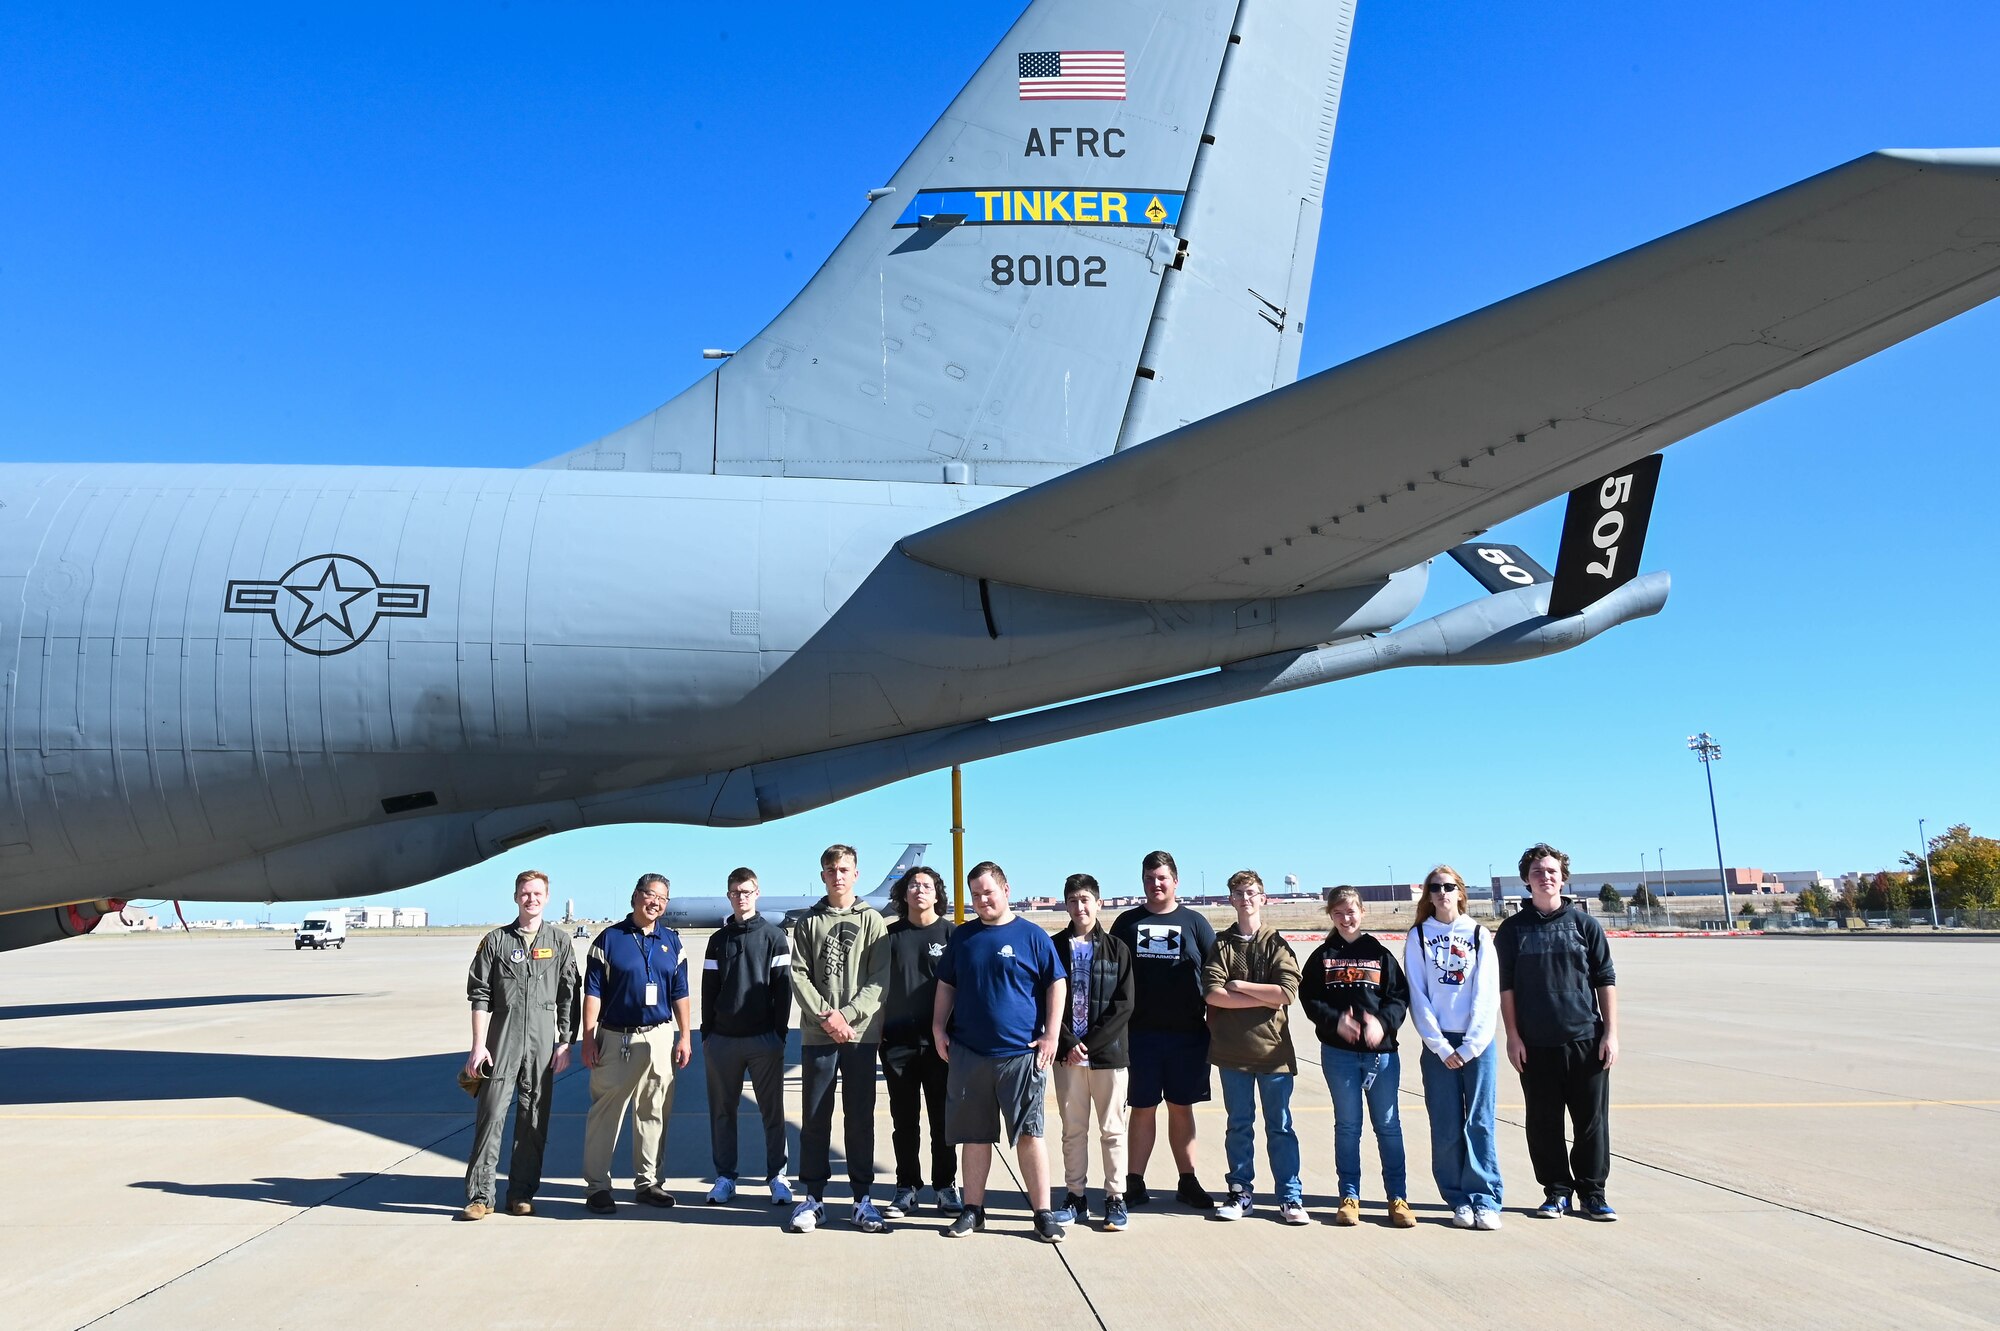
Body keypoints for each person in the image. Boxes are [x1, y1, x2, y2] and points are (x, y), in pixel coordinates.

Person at [933, 860, 1068, 1242]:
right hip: (970, 1054)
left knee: (1029, 1134)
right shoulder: (963, 937)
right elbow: (947, 985)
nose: (981, 901)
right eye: (975, 895)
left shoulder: (1032, 936)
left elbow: (1055, 984)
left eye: (988, 892)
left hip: (1020, 1056)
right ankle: (973, 1210)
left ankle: (1042, 1213)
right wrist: (938, 1027)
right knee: (975, 1137)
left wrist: (1051, 1035)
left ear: (1006, 890)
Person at [1495, 842, 1620, 1222]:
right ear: (1526, 881)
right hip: (1535, 1045)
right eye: (1537, 872)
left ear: (1562, 877)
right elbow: (1506, 988)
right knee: (1543, 1122)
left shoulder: (1585, 925)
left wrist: (1610, 1033)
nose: (1545, 877)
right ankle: (1556, 1192)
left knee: (1591, 1124)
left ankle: (1593, 1193)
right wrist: (1513, 1036)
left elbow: (1605, 979)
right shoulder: (1513, 930)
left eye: (1551, 871)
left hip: (1585, 1039)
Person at [459, 869, 580, 1220]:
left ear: (547, 897)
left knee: (534, 1118)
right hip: (502, 1041)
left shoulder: (559, 942)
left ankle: (522, 1192)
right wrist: (478, 1045)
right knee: (491, 1114)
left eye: (537, 893)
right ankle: (480, 1196)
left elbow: (569, 995)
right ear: (516, 897)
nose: (531, 899)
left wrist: (564, 1042)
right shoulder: (496, 941)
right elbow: (480, 995)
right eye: (525, 893)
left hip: (542, 1044)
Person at [788, 843, 891, 1233]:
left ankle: (862, 1198)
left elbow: (878, 979)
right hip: (818, 1036)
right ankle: (813, 1198)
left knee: (860, 1117)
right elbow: (799, 975)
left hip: (861, 1036)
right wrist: (827, 1018)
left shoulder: (872, 921)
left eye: (844, 869)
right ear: (823, 876)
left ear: (856, 874)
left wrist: (846, 1016)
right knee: (815, 1117)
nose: (838, 875)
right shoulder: (808, 922)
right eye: (831, 870)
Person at [1299, 886, 1414, 1228]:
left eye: (1351, 912)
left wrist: (1382, 1023)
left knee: (1388, 1126)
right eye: (1338, 913)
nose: (1346, 918)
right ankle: (1349, 1196)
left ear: (1362, 913)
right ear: (1331, 916)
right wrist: (1337, 1022)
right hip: (1340, 1056)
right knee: (1348, 1127)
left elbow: (1398, 997)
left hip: (1381, 1058)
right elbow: (1310, 998)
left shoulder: (1380, 954)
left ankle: (1398, 1197)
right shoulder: (1322, 956)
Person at [1109, 850, 1218, 1209]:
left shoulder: (1196, 924)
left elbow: (1215, 978)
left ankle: (1187, 1180)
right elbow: (1110, 978)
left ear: (1175, 881)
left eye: (1162, 878)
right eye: (1149, 878)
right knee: (1142, 1108)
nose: (1155, 884)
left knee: (1181, 1107)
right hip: (1139, 1036)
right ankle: (1134, 1181)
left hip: (1187, 1035)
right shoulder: (1126, 923)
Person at [581, 873, 692, 1214]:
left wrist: (685, 1035)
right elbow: (593, 992)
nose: (655, 902)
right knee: (606, 1114)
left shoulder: (671, 941)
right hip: (617, 1037)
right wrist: (588, 1036)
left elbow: (680, 992)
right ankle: (598, 1186)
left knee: (654, 1111)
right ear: (636, 896)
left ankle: (649, 1183)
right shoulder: (609, 940)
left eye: (662, 898)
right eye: (650, 895)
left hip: (659, 1036)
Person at [1202, 870, 1306, 1225]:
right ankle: (1240, 1192)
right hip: (1232, 1054)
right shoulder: (1222, 944)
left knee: (1280, 1126)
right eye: (1238, 893)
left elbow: (1286, 993)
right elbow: (1213, 993)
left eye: (1251, 892)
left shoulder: (1276, 943)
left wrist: (1240, 986)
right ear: (1230, 899)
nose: (1245, 898)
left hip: (1273, 1054)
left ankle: (1290, 1197)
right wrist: (1261, 998)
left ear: (1263, 898)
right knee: (1239, 1126)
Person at [1405, 864, 1504, 1230]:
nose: (1442, 893)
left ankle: (1485, 1199)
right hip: (1439, 1046)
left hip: (1477, 1044)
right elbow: (1418, 994)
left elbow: (1486, 992)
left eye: (1448, 886)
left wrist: (1473, 1044)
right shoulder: (1418, 936)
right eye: (1435, 887)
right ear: (1428, 895)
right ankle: (1457, 1199)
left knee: (1479, 1122)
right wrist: (1440, 1046)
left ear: (1460, 892)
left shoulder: (1478, 934)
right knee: (1446, 1125)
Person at [701, 867, 795, 1207]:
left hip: (763, 1041)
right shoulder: (718, 940)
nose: (741, 897)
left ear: (757, 893)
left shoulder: (774, 937)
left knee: (772, 1112)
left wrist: (778, 1034)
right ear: (729, 896)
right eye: (736, 892)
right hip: (723, 1042)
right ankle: (725, 1177)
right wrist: (708, 1035)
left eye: (747, 891)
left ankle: (778, 1177)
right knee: (722, 1112)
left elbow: (783, 989)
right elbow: (708, 990)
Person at [1050, 873, 1135, 1232]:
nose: (1079, 907)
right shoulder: (1052, 947)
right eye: (1072, 901)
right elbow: (1045, 999)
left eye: (1085, 899)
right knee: (1073, 1130)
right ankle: (1075, 1196)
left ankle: (1115, 1197)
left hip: (1108, 1057)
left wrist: (1092, 1043)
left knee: (1113, 1130)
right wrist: (1068, 1043)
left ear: (1098, 903)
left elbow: (1124, 1003)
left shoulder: (1117, 949)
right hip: (1067, 1058)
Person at [879, 865, 958, 1216]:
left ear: (937, 893)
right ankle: (906, 1186)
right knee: (904, 1121)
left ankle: (945, 1186)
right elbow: (877, 989)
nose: (919, 890)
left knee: (943, 1121)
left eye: (926, 885)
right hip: (897, 1044)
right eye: (913, 885)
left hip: (941, 1046)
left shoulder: (953, 935)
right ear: (903, 894)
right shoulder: (889, 936)